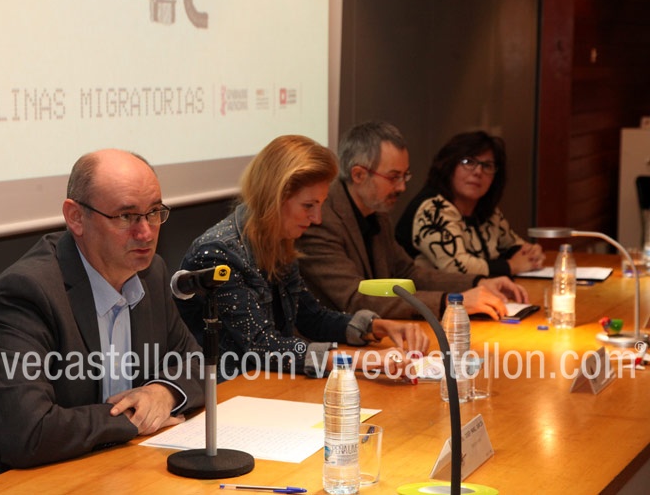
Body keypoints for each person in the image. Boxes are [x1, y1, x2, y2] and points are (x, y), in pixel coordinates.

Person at [0, 150, 205, 494]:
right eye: (126, 216)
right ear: (76, 217)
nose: (146, 232)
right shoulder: (26, 293)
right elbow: (27, 432)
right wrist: (134, 418)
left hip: (110, 471)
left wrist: (162, 392)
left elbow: (197, 363)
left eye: (153, 213)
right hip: (9, 484)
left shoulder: (151, 274)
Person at [176, 135, 430, 380]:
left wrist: (379, 327)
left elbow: (311, 317)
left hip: (265, 386)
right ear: (275, 197)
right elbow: (263, 347)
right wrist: (363, 360)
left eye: (321, 204)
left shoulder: (279, 240)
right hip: (222, 394)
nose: (317, 218)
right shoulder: (219, 254)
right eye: (309, 205)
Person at [297, 121, 529, 322]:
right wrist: (451, 302)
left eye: (405, 175)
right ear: (358, 175)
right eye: (393, 177)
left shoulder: (376, 211)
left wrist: (478, 283)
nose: (402, 187)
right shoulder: (320, 219)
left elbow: (408, 273)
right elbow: (354, 300)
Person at [395, 130, 544, 276]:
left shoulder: (487, 211)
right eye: (468, 162)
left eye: (487, 166)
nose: (478, 171)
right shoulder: (432, 208)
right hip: (422, 293)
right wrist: (512, 266)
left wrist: (531, 254)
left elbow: (512, 245)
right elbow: (457, 267)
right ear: (448, 166)